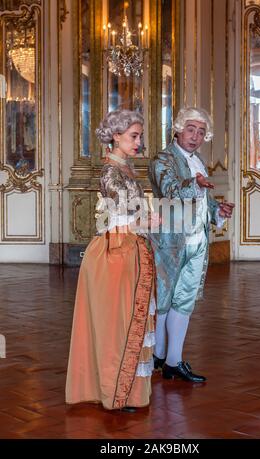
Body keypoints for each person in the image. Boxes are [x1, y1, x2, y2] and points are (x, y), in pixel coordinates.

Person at [66, 109, 158, 412]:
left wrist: (147, 221)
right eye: (134, 136)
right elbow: (122, 218)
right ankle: (113, 393)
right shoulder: (110, 172)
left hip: (128, 248)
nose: (139, 141)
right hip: (114, 252)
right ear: (115, 136)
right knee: (115, 325)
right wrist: (149, 222)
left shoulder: (126, 167)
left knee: (129, 321)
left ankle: (127, 391)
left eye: (140, 136)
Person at [148, 107, 234, 383]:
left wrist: (218, 210)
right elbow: (169, 190)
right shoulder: (163, 159)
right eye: (190, 129)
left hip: (197, 241)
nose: (195, 136)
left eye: (200, 132)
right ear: (178, 129)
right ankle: (158, 355)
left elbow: (204, 201)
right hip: (169, 241)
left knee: (184, 300)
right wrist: (194, 183)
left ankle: (173, 361)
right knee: (163, 299)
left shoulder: (198, 162)